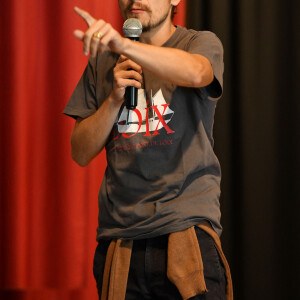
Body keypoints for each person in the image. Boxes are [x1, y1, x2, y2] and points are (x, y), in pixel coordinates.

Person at [63, 1, 233, 299]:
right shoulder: (103, 62)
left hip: (185, 233)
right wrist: (114, 100)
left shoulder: (198, 42)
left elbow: (196, 73)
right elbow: (80, 151)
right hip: (120, 241)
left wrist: (125, 46)